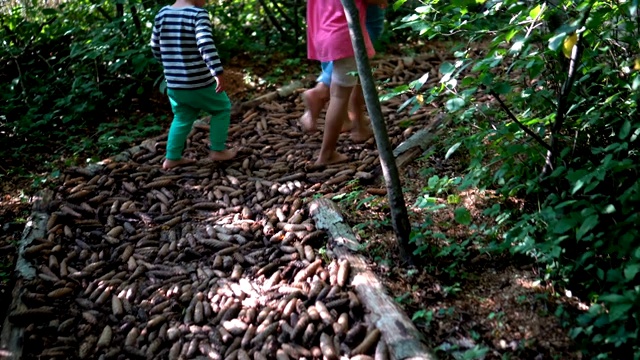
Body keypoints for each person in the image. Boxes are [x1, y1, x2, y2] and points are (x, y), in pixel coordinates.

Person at [150, 0, 237, 170]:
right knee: (222, 108)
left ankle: (172, 157)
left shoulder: (162, 14)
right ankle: (218, 150)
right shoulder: (197, 14)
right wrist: (217, 71)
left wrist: (169, 63)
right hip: (198, 81)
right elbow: (205, 44)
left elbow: (155, 46)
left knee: (182, 117)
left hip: (174, 83)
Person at [305, 0, 387, 165]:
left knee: (343, 89)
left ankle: (355, 125)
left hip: (326, 32)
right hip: (345, 37)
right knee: (339, 97)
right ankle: (326, 154)